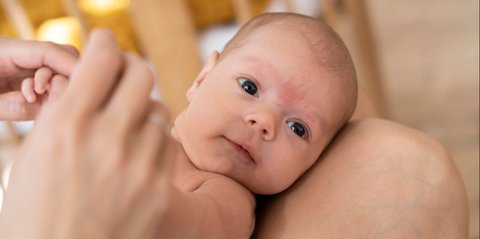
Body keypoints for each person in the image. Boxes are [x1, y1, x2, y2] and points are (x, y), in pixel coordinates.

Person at [0, 16, 468, 239]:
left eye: (299, 129)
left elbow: (185, 227)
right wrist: (62, 106)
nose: (263, 121)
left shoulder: (225, 196)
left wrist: (124, 190)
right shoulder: (147, 117)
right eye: (249, 85)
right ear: (203, 77)